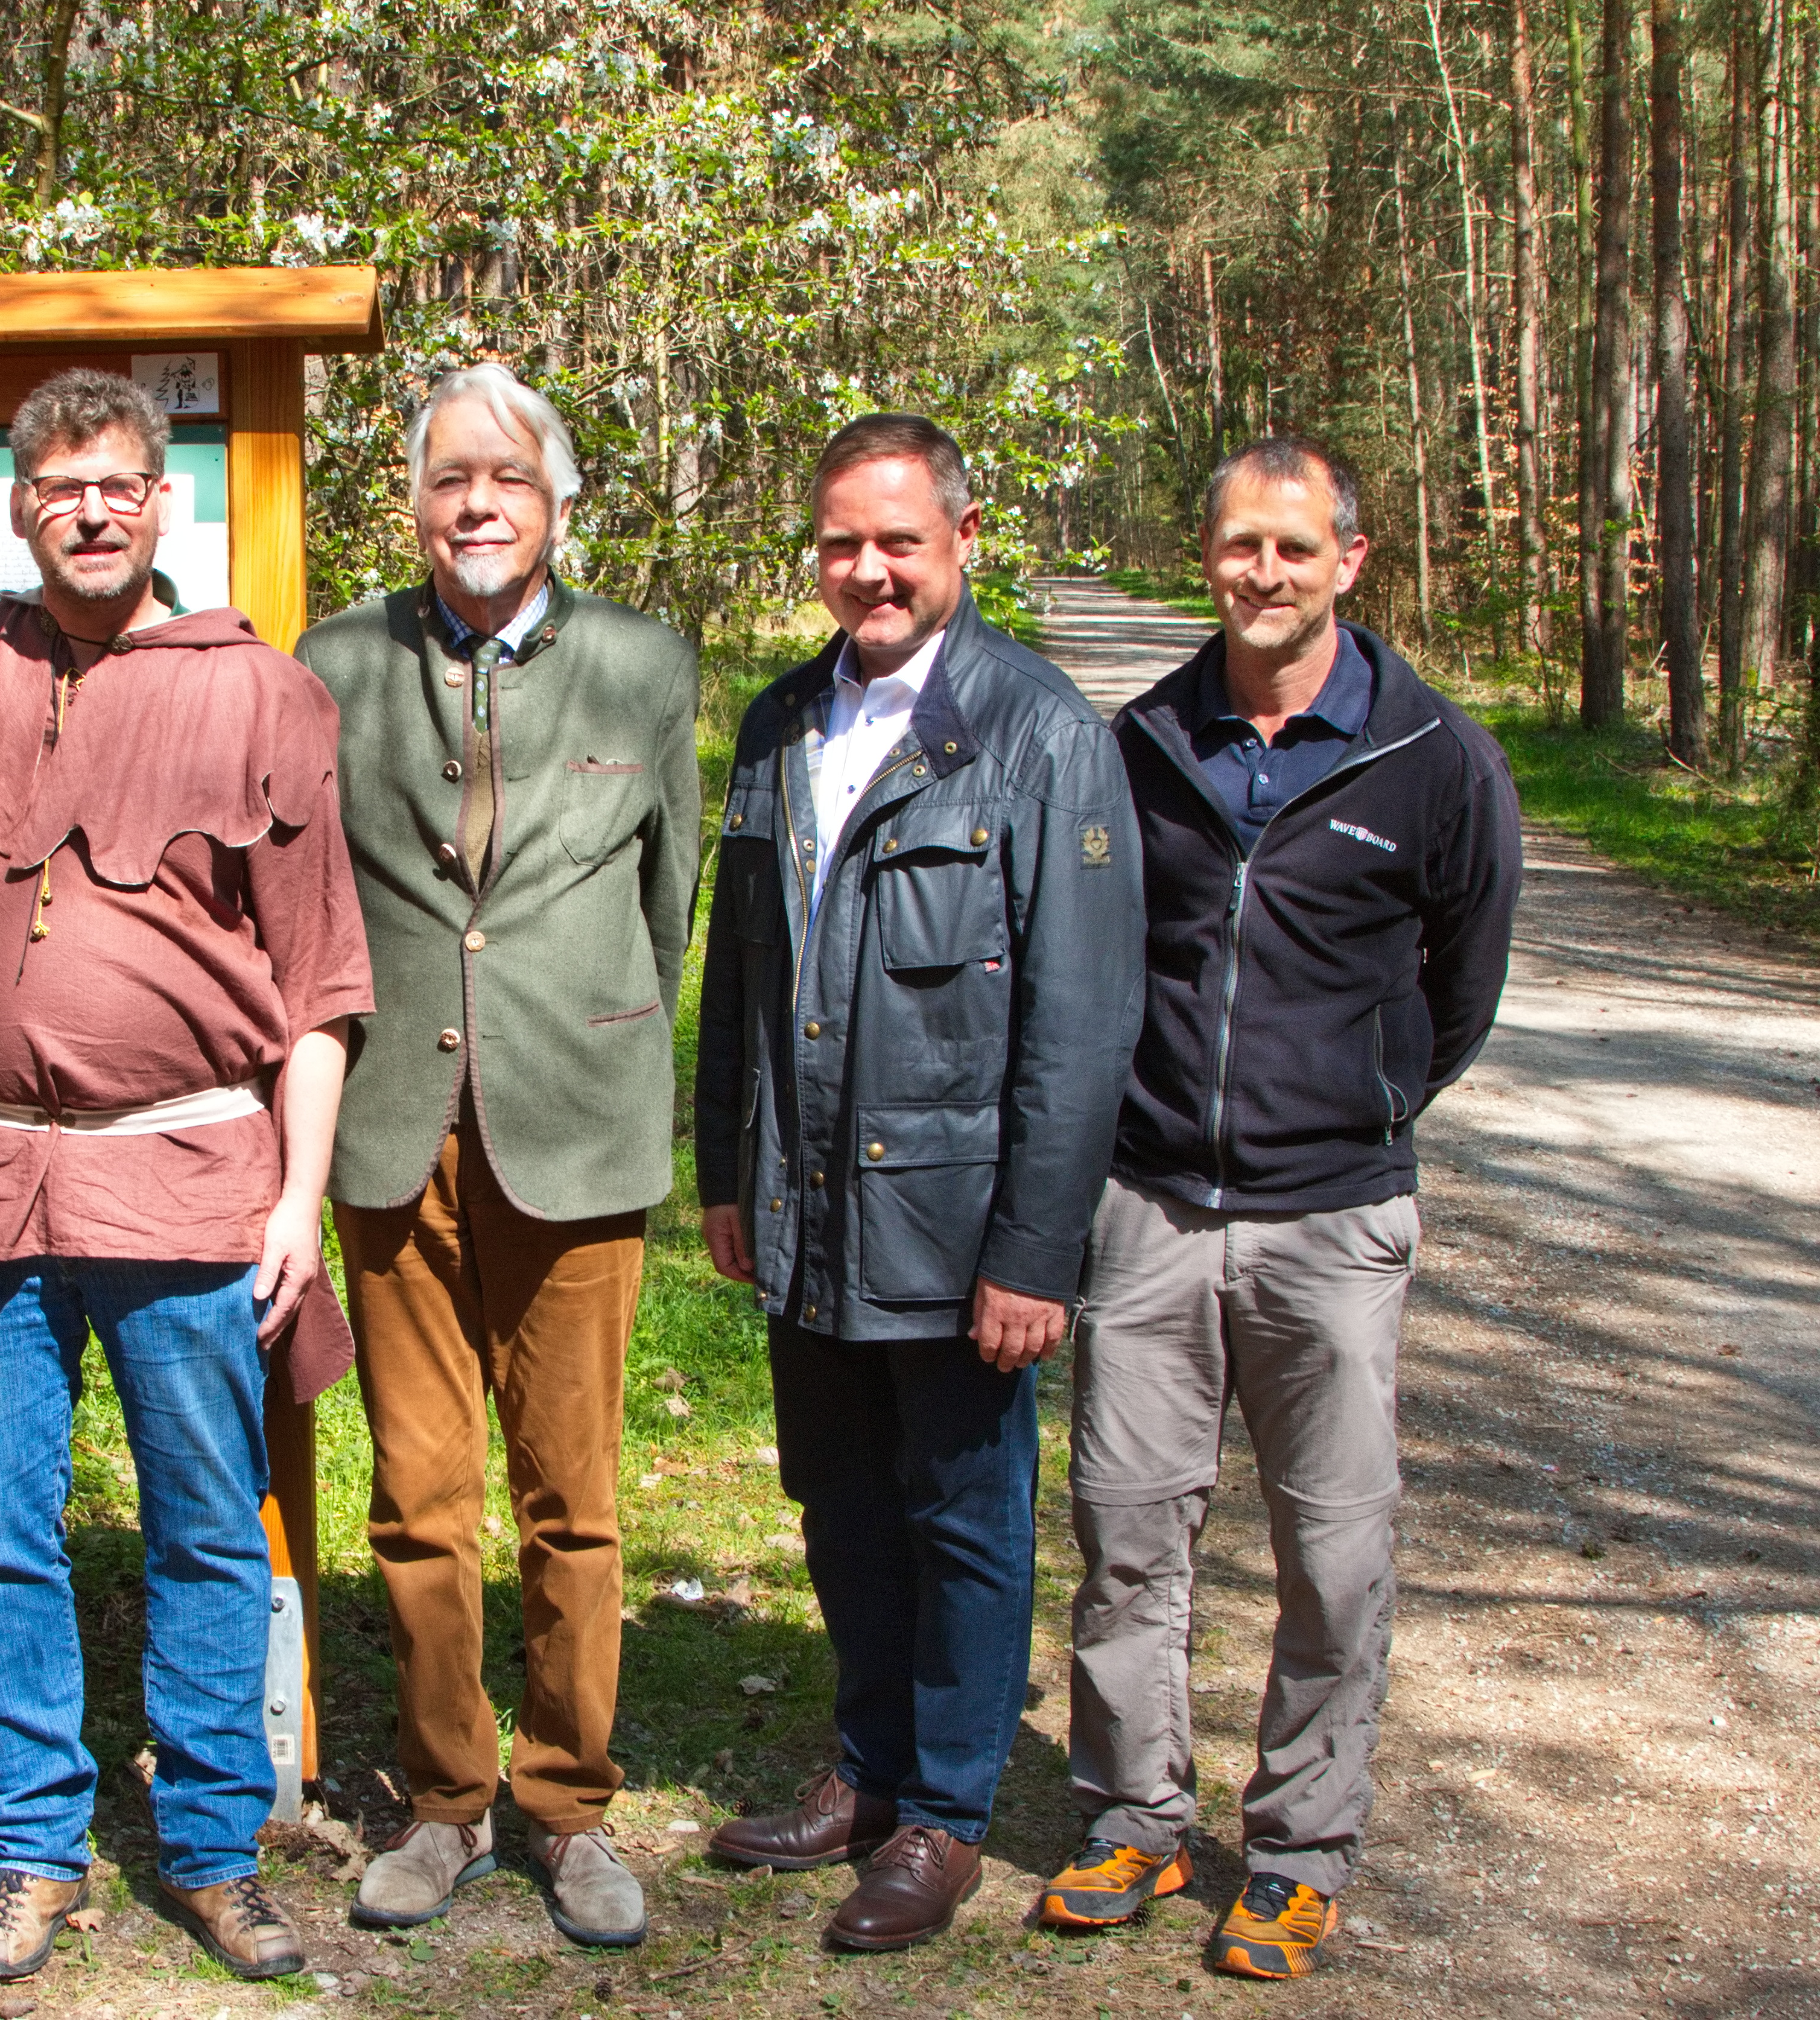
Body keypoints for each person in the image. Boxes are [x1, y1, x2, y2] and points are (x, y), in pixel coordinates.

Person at [0, 369, 372, 1985]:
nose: (86, 507)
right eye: (54, 484)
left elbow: (316, 985)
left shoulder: (261, 694)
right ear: (19, 505)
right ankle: (31, 1844)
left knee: (203, 1535)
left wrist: (294, 1200)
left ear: (163, 502)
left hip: (184, 1184)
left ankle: (215, 1846)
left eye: (114, 482)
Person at [1035, 440, 1518, 1980]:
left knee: (1335, 1549)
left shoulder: (1436, 757)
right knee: (1127, 1533)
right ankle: (1131, 1815)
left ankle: (1301, 1848)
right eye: (1240, 545)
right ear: (1210, 552)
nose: (1263, 574)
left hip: (1332, 1222)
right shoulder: (1143, 743)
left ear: (1349, 561)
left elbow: (1463, 987)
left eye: (1294, 550)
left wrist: (1359, 1110)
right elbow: (1095, 955)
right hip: (1153, 1207)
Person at [695, 416, 1144, 1951]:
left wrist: (1035, 1251)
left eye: (898, 539)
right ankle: (868, 1772)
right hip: (808, 1209)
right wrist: (724, 1178)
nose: (868, 569)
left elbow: (1082, 1028)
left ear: (961, 539)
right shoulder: (775, 727)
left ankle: (946, 1814)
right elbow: (739, 980)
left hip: (958, 1230)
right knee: (839, 1503)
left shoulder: (1038, 734)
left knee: (962, 1512)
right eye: (841, 542)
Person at [295, 364, 699, 1949]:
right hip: (394, 1136)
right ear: (412, 499)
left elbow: (665, 910)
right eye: (449, 478)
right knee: (415, 1497)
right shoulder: (333, 664)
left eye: (506, 480)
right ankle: (447, 1799)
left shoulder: (641, 663)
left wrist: (597, 1042)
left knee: (572, 1499)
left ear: (553, 503)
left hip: (575, 1135)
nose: (475, 505)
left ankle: (567, 1802)